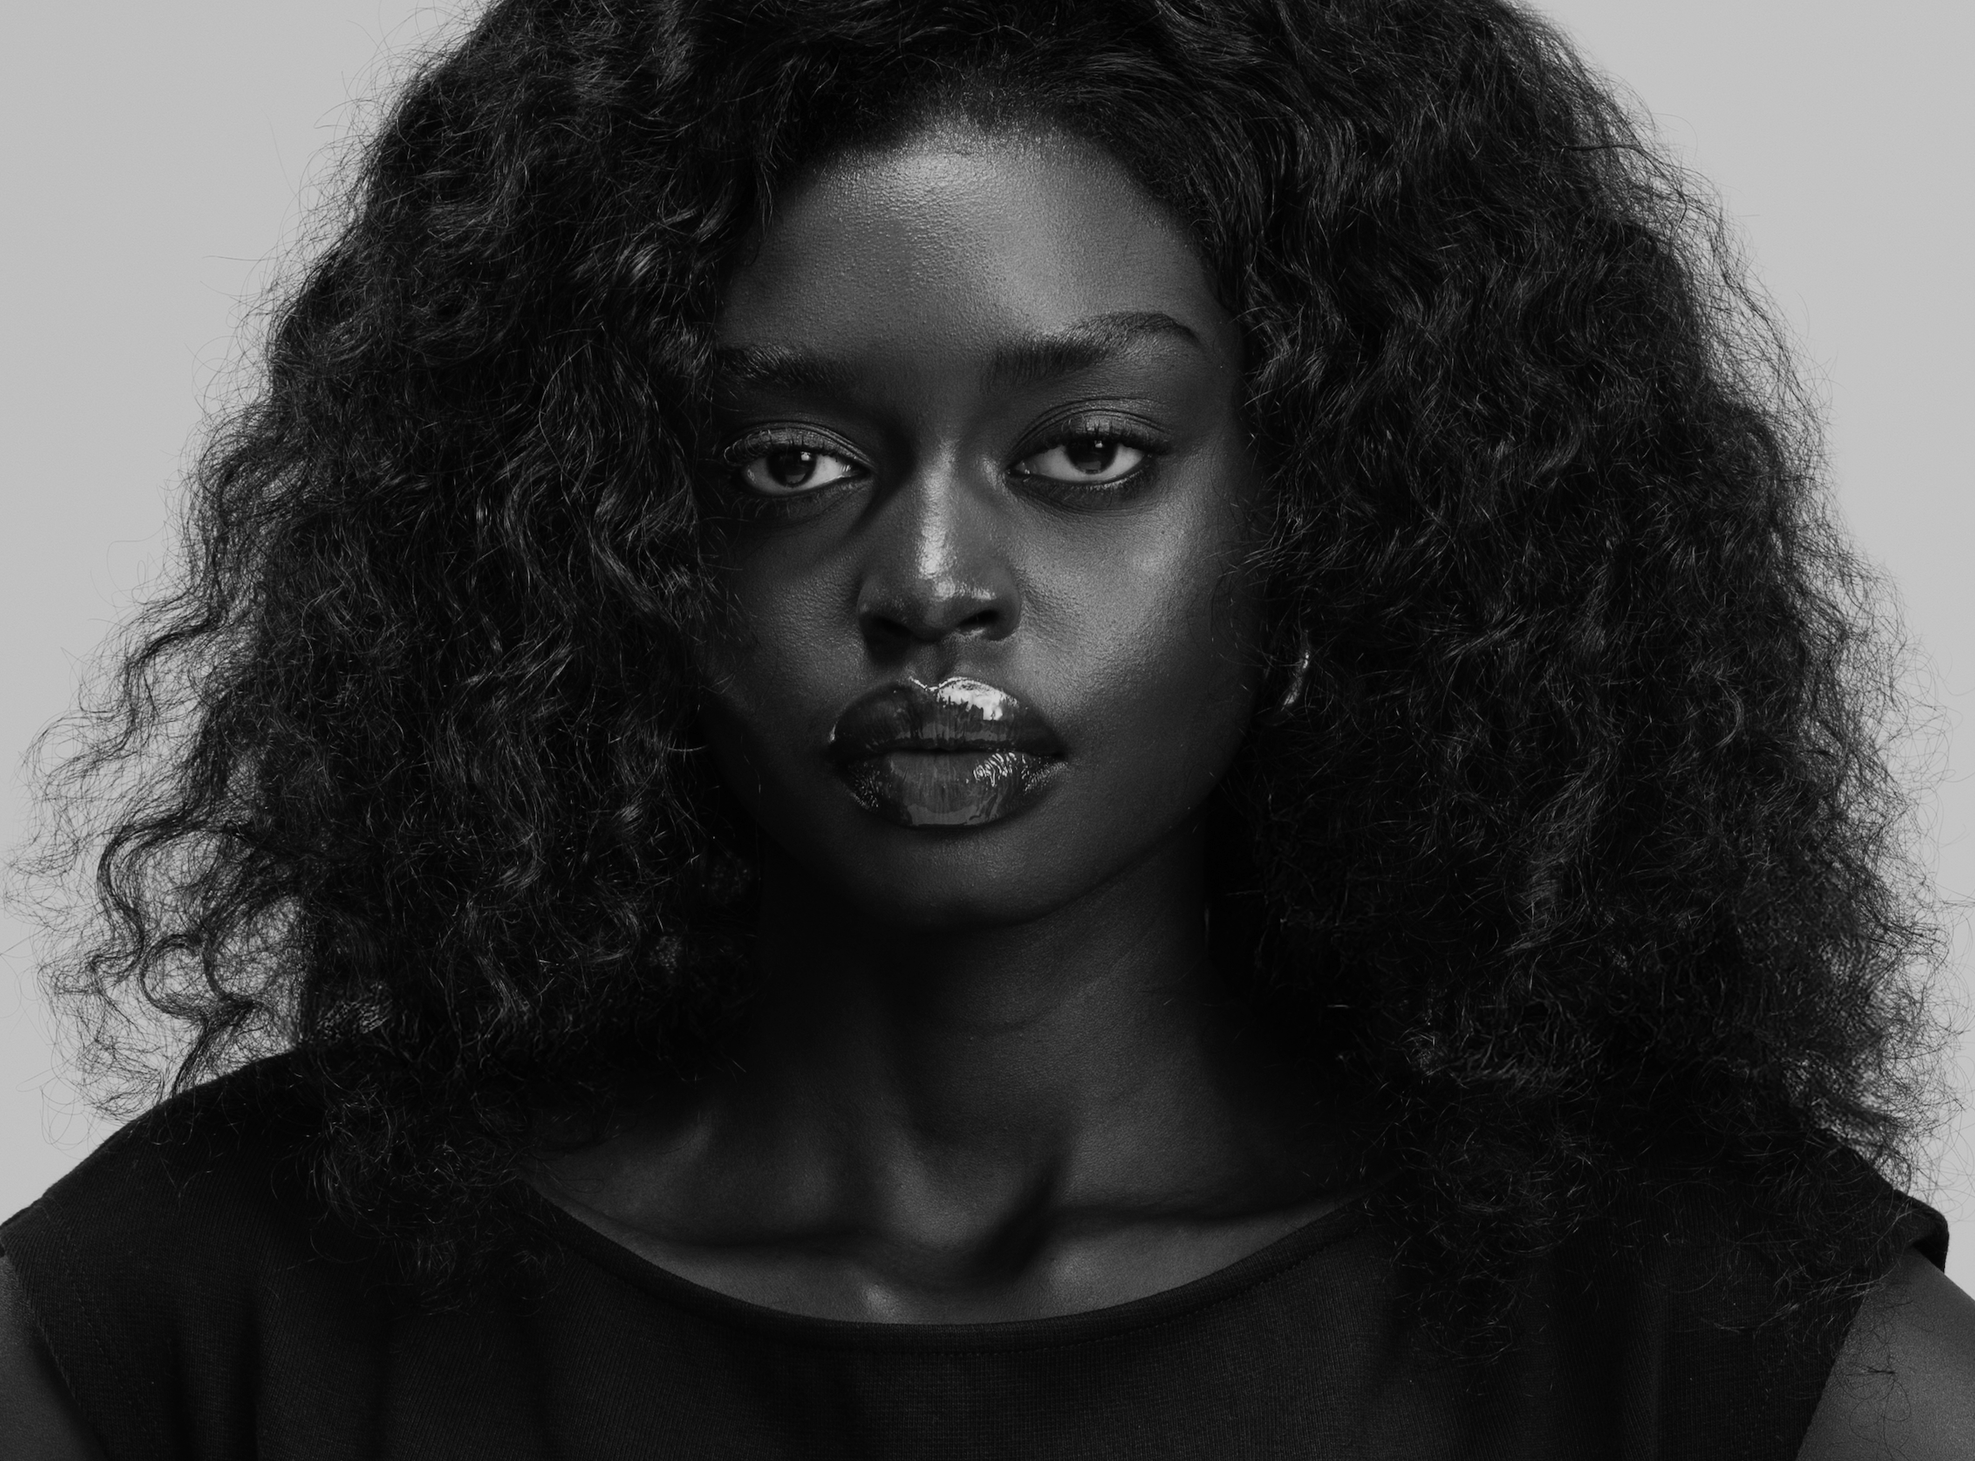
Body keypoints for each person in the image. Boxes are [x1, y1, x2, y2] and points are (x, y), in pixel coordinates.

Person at [4, 0, 1973, 1455]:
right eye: (788, 460)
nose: (930, 573)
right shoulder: (190, 1323)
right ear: (599, 531)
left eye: (1088, 449)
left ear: (1327, 504)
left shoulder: (1717, 1338)